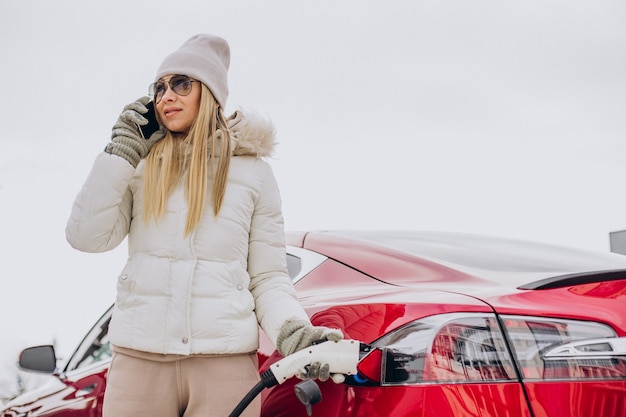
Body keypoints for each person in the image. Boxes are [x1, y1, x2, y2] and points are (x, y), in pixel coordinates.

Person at [66, 34, 343, 417]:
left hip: (223, 366)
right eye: (159, 87)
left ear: (210, 93)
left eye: (182, 84)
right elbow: (86, 238)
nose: (167, 96)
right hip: (139, 365)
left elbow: (267, 277)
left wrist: (294, 331)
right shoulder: (138, 166)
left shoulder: (254, 175)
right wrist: (121, 153)